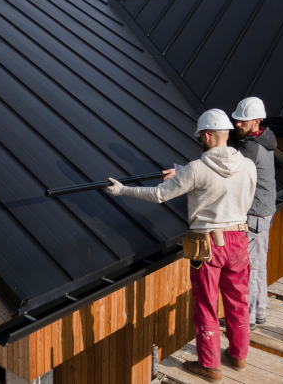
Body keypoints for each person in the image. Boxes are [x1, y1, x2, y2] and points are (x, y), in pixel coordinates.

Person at [104, 109, 256, 382]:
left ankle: (210, 365)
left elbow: (160, 194)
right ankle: (239, 356)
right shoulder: (248, 165)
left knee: (207, 305)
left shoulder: (198, 169)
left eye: (201, 136)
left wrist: (123, 190)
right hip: (240, 240)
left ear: (207, 136)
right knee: (238, 301)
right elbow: (224, 183)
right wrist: (184, 173)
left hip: (209, 244)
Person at [231, 97, 276, 331]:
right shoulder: (265, 139)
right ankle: (258, 313)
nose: (237, 123)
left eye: (242, 120)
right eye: (236, 119)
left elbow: (226, 167)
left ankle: (247, 320)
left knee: (249, 267)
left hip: (255, 215)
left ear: (256, 121)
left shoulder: (250, 148)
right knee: (259, 265)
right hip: (264, 213)